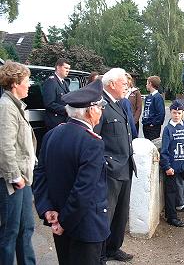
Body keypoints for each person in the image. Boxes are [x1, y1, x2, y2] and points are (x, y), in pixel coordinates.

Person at [33, 79, 109, 265]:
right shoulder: (92, 142)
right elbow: (83, 191)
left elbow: (40, 175)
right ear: (91, 111)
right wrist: (63, 222)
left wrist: (46, 208)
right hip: (84, 226)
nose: (101, 111)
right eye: (100, 107)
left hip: (60, 219)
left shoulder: (52, 134)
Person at [93, 68, 136, 262]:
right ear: (112, 84)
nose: (126, 86)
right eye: (123, 83)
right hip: (110, 170)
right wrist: (105, 165)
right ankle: (100, 254)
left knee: (121, 213)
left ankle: (113, 248)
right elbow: (93, 139)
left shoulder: (119, 103)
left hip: (126, 166)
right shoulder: (100, 104)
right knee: (107, 214)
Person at [0, 61, 37, 265]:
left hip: (23, 178)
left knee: (26, 228)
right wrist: (15, 177)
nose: (29, 84)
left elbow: (22, 143)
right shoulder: (6, 107)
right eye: (26, 80)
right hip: (13, 181)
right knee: (9, 232)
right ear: (15, 83)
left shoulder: (15, 105)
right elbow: (5, 147)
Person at [42, 58, 71, 130]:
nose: (68, 70)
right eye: (65, 68)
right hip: (54, 122)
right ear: (58, 67)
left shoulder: (64, 83)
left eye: (69, 69)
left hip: (64, 121)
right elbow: (49, 103)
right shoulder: (51, 82)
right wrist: (66, 109)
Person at [142, 75, 165, 140]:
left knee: (153, 145)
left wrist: (153, 123)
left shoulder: (158, 97)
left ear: (150, 84)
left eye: (147, 83)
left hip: (153, 127)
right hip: (146, 125)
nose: (146, 85)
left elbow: (161, 113)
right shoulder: (148, 97)